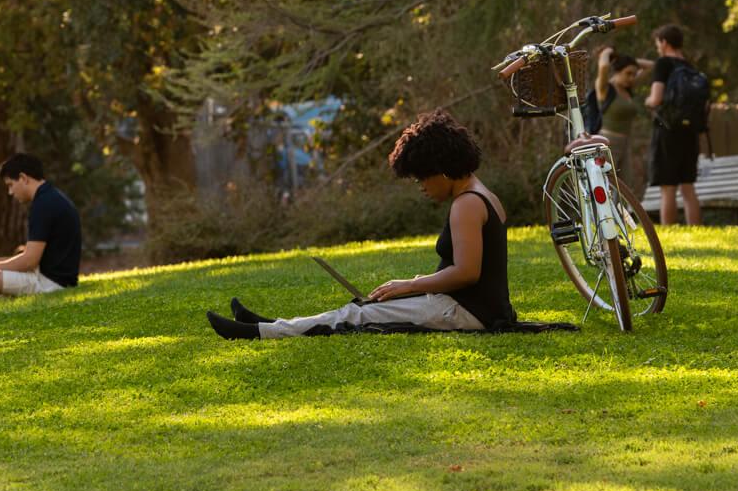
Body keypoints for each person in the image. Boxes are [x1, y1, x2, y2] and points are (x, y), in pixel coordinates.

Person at [206, 109, 516, 340]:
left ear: (441, 170)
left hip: (465, 314)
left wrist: (409, 285)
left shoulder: (467, 204)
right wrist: (413, 285)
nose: (421, 186)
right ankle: (266, 325)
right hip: (464, 308)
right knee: (361, 308)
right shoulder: (480, 194)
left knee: (357, 316)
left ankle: (256, 332)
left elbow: (467, 273)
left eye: (422, 177)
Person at [0, 152, 82, 298]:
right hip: (48, 276)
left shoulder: (43, 204)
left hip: (49, 284)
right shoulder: (50, 197)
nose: (10, 192)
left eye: (11, 185)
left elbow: (29, 261)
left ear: (23, 178)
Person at [645, 25, 702, 226]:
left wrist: (648, 101)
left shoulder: (663, 64)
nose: (657, 48)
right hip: (690, 130)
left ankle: (669, 230)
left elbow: (656, 98)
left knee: (668, 186)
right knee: (688, 186)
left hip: (668, 129)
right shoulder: (690, 67)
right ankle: (696, 229)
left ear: (664, 42)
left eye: (658, 43)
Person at [594, 47, 652, 179]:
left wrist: (626, 60)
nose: (632, 78)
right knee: (606, 182)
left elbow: (650, 66)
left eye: (634, 74)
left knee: (625, 185)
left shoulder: (627, 89)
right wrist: (607, 52)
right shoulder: (605, 88)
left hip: (625, 142)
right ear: (617, 71)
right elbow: (603, 67)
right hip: (608, 143)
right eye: (628, 73)